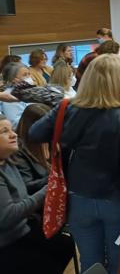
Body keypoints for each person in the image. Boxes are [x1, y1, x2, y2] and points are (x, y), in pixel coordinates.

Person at [29, 54, 120, 274]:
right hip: (116, 201)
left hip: (78, 200)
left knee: (90, 264)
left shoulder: (67, 108)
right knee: (118, 263)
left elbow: (35, 132)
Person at [0, 114, 75, 273]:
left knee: (66, 245)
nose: (13, 134)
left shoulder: (8, 162)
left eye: (12, 130)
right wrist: (48, 189)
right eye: (4, 131)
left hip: (24, 230)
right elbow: (8, 216)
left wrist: (54, 179)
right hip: (9, 243)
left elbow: (23, 193)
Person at [14, 103, 51, 194]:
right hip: (37, 202)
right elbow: (27, 186)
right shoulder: (18, 151)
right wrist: (53, 177)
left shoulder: (51, 141)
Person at [0, 63, 33, 128]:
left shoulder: (29, 92)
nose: (29, 77)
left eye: (29, 74)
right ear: (14, 79)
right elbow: (14, 124)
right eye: (25, 75)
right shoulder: (10, 96)